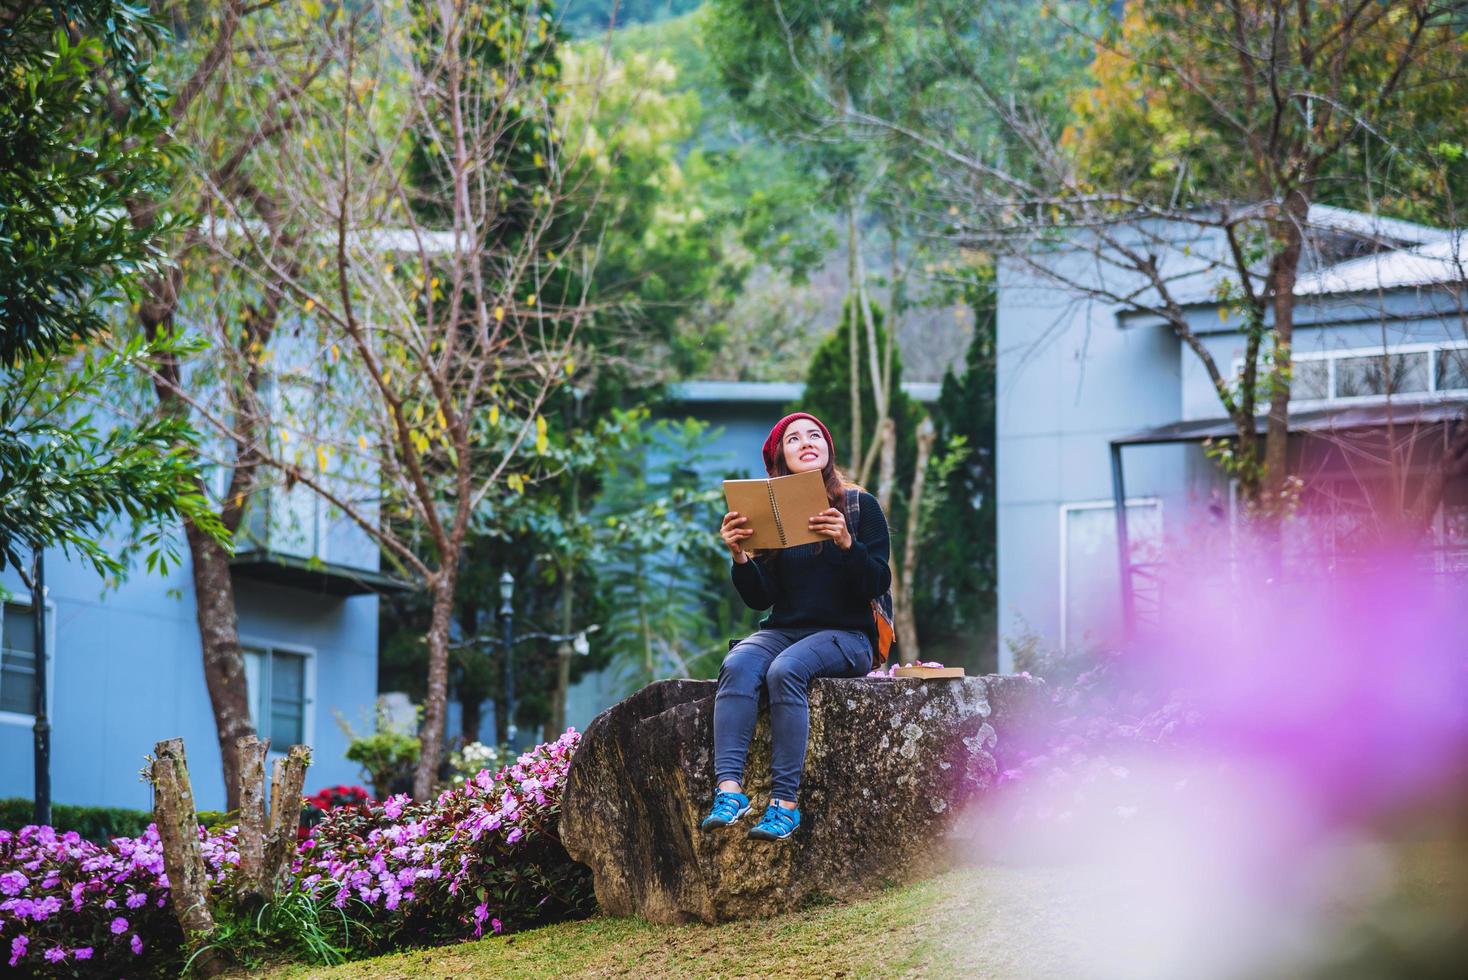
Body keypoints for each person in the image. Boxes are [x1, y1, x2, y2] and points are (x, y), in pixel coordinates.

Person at [702, 411, 891, 841]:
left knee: (785, 670)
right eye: (794, 438)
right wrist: (740, 556)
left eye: (815, 435)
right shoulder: (771, 512)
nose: (807, 442)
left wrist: (846, 543)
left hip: (849, 636)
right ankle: (729, 792)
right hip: (787, 629)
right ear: (780, 458)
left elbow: (877, 581)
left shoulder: (860, 505)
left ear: (827, 448)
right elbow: (760, 597)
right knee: (739, 662)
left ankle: (784, 804)